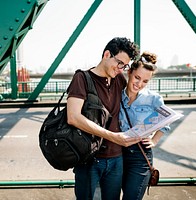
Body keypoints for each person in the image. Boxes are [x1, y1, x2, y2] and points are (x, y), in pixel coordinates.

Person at [67, 37, 140, 200]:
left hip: (116, 158)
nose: (121, 69)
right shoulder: (82, 78)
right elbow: (73, 117)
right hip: (89, 159)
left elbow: (133, 103)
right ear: (107, 54)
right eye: (120, 63)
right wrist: (112, 136)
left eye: (125, 66)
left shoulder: (119, 79)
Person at [119, 52, 170, 200]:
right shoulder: (117, 95)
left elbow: (166, 121)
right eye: (137, 77)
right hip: (117, 154)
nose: (139, 84)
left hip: (140, 156)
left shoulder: (153, 99)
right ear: (129, 72)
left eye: (145, 81)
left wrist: (154, 140)